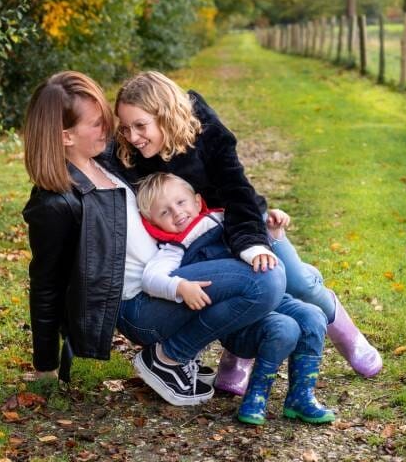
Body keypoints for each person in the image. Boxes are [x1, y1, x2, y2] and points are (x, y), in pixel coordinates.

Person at [21, 71, 286, 407]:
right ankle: (168, 357)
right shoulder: (57, 202)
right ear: (66, 137)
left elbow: (174, 134)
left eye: (106, 117)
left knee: (283, 308)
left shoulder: (110, 160)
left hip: (171, 270)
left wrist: (183, 106)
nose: (110, 129)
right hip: (141, 305)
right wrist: (46, 366)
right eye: (95, 123)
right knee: (267, 280)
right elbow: (46, 284)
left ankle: (196, 354)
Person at [113, 71, 383, 393]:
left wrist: (253, 244)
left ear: (166, 114)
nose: (132, 136)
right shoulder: (131, 154)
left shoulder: (207, 133)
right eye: (125, 127)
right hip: (198, 240)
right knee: (240, 289)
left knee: (296, 281)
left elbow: (237, 190)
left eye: (140, 125)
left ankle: (349, 337)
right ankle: (239, 353)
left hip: (241, 222)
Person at [136, 172, 335, 424]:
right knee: (284, 328)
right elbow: (150, 278)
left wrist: (272, 233)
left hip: (274, 297)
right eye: (164, 212)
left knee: (313, 316)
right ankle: (256, 396)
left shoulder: (227, 218)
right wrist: (180, 287)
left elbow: (259, 245)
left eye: (180, 202)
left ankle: (301, 396)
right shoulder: (176, 247)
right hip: (242, 321)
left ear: (198, 201)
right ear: (153, 222)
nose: (176, 213)